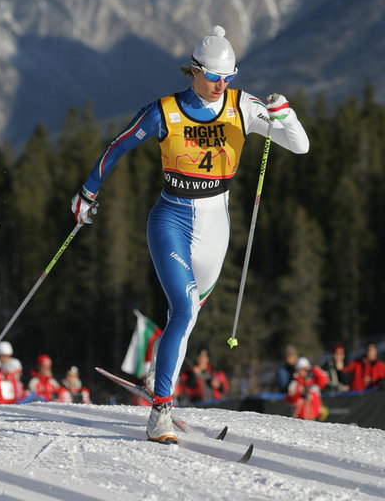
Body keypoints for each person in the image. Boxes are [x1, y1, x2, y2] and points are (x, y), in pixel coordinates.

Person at [71, 25, 309, 443]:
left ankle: (156, 372)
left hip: (217, 225)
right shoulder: (164, 111)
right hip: (171, 220)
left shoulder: (242, 106)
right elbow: (118, 146)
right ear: (193, 71)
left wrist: (284, 112)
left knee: (190, 313)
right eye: (214, 77)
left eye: (228, 77)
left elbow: (300, 145)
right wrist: (88, 191)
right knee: (183, 309)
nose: (221, 85)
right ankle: (160, 410)